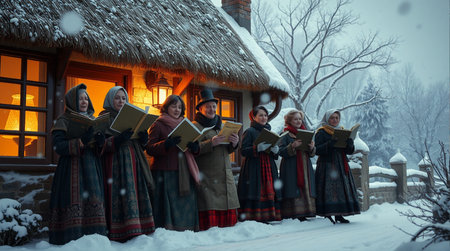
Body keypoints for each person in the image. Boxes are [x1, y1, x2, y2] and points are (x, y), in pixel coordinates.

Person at [49, 83, 107, 245]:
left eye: (86, 98)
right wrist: (81, 141)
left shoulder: (94, 120)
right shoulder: (63, 120)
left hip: (91, 166)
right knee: (73, 197)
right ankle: (71, 237)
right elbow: (57, 146)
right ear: (72, 101)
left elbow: (98, 149)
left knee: (93, 197)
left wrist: (100, 142)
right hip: (71, 167)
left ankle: (95, 239)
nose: (84, 101)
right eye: (80, 98)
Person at [100, 86, 155, 241]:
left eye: (123, 98)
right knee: (118, 193)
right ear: (110, 99)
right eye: (117, 98)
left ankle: (139, 228)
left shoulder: (131, 117)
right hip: (115, 163)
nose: (121, 101)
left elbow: (141, 143)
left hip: (133, 160)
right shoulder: (104, 118)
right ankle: (121, 231)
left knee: (136, 192)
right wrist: (117, 139)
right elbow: (100, 145)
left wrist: (143, 139)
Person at [146, 95, 200, 231]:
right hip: (165, 171)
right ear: (166, 107)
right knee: (167, 204)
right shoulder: (158, 124)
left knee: (185, 201)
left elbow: (195, 147)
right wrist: (166, 144)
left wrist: (195, 147)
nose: (177, 109)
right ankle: (167, 231)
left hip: (185, 170)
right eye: (173, 106)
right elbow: (149, 148)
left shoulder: (186, 124)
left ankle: (187, 229)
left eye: (179, 107)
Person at [191, 89, 240, 230]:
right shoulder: (195, 127)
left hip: (225, 172)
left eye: (213, 106)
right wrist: (210, 143)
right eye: (208, 106)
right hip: (208, 175)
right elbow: (192, 149)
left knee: (228, 212)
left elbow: (227, 149)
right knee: (210, 206)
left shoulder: (222, 126)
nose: (211, 109)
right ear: (200, 109)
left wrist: (234, 143)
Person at [314, 109, 360, 224]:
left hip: (340, 163)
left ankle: (340, 214)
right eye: (332, 118)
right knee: (329, 189)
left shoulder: (342, 131)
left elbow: (348, 151)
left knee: (341, 189)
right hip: (327, 164)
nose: (335, 120)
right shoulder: (321, 132)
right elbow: (317, 150)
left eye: (337, 118)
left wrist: (350, 143)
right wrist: (330, 144)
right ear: (327, 119)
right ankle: (327, 213)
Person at [237, 106, 281, 222]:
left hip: (268, 166)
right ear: (254, 117)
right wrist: (257, 148)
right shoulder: (249, 131)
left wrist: (275, 151)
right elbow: (243, 150)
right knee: (256, 189)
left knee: (269, 189)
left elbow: (274, 153)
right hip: (254, 167)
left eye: (265, 115)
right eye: (260, 115)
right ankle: (255, 216)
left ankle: (269, 215)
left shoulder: (270, 132)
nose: (264, 118)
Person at [279, 109, 316, 221]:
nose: (298, 121)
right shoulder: (284, 134)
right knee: (293, 186)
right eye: (295, 119)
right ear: (289, 120)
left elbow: (312, 153)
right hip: (291, 165)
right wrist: (292, 146)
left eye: (300, 119)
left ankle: (306, 211)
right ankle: (294, 212)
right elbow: (280, 151)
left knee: (306, 186)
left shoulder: (306, 133)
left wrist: (312, 148)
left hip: (305, 164)